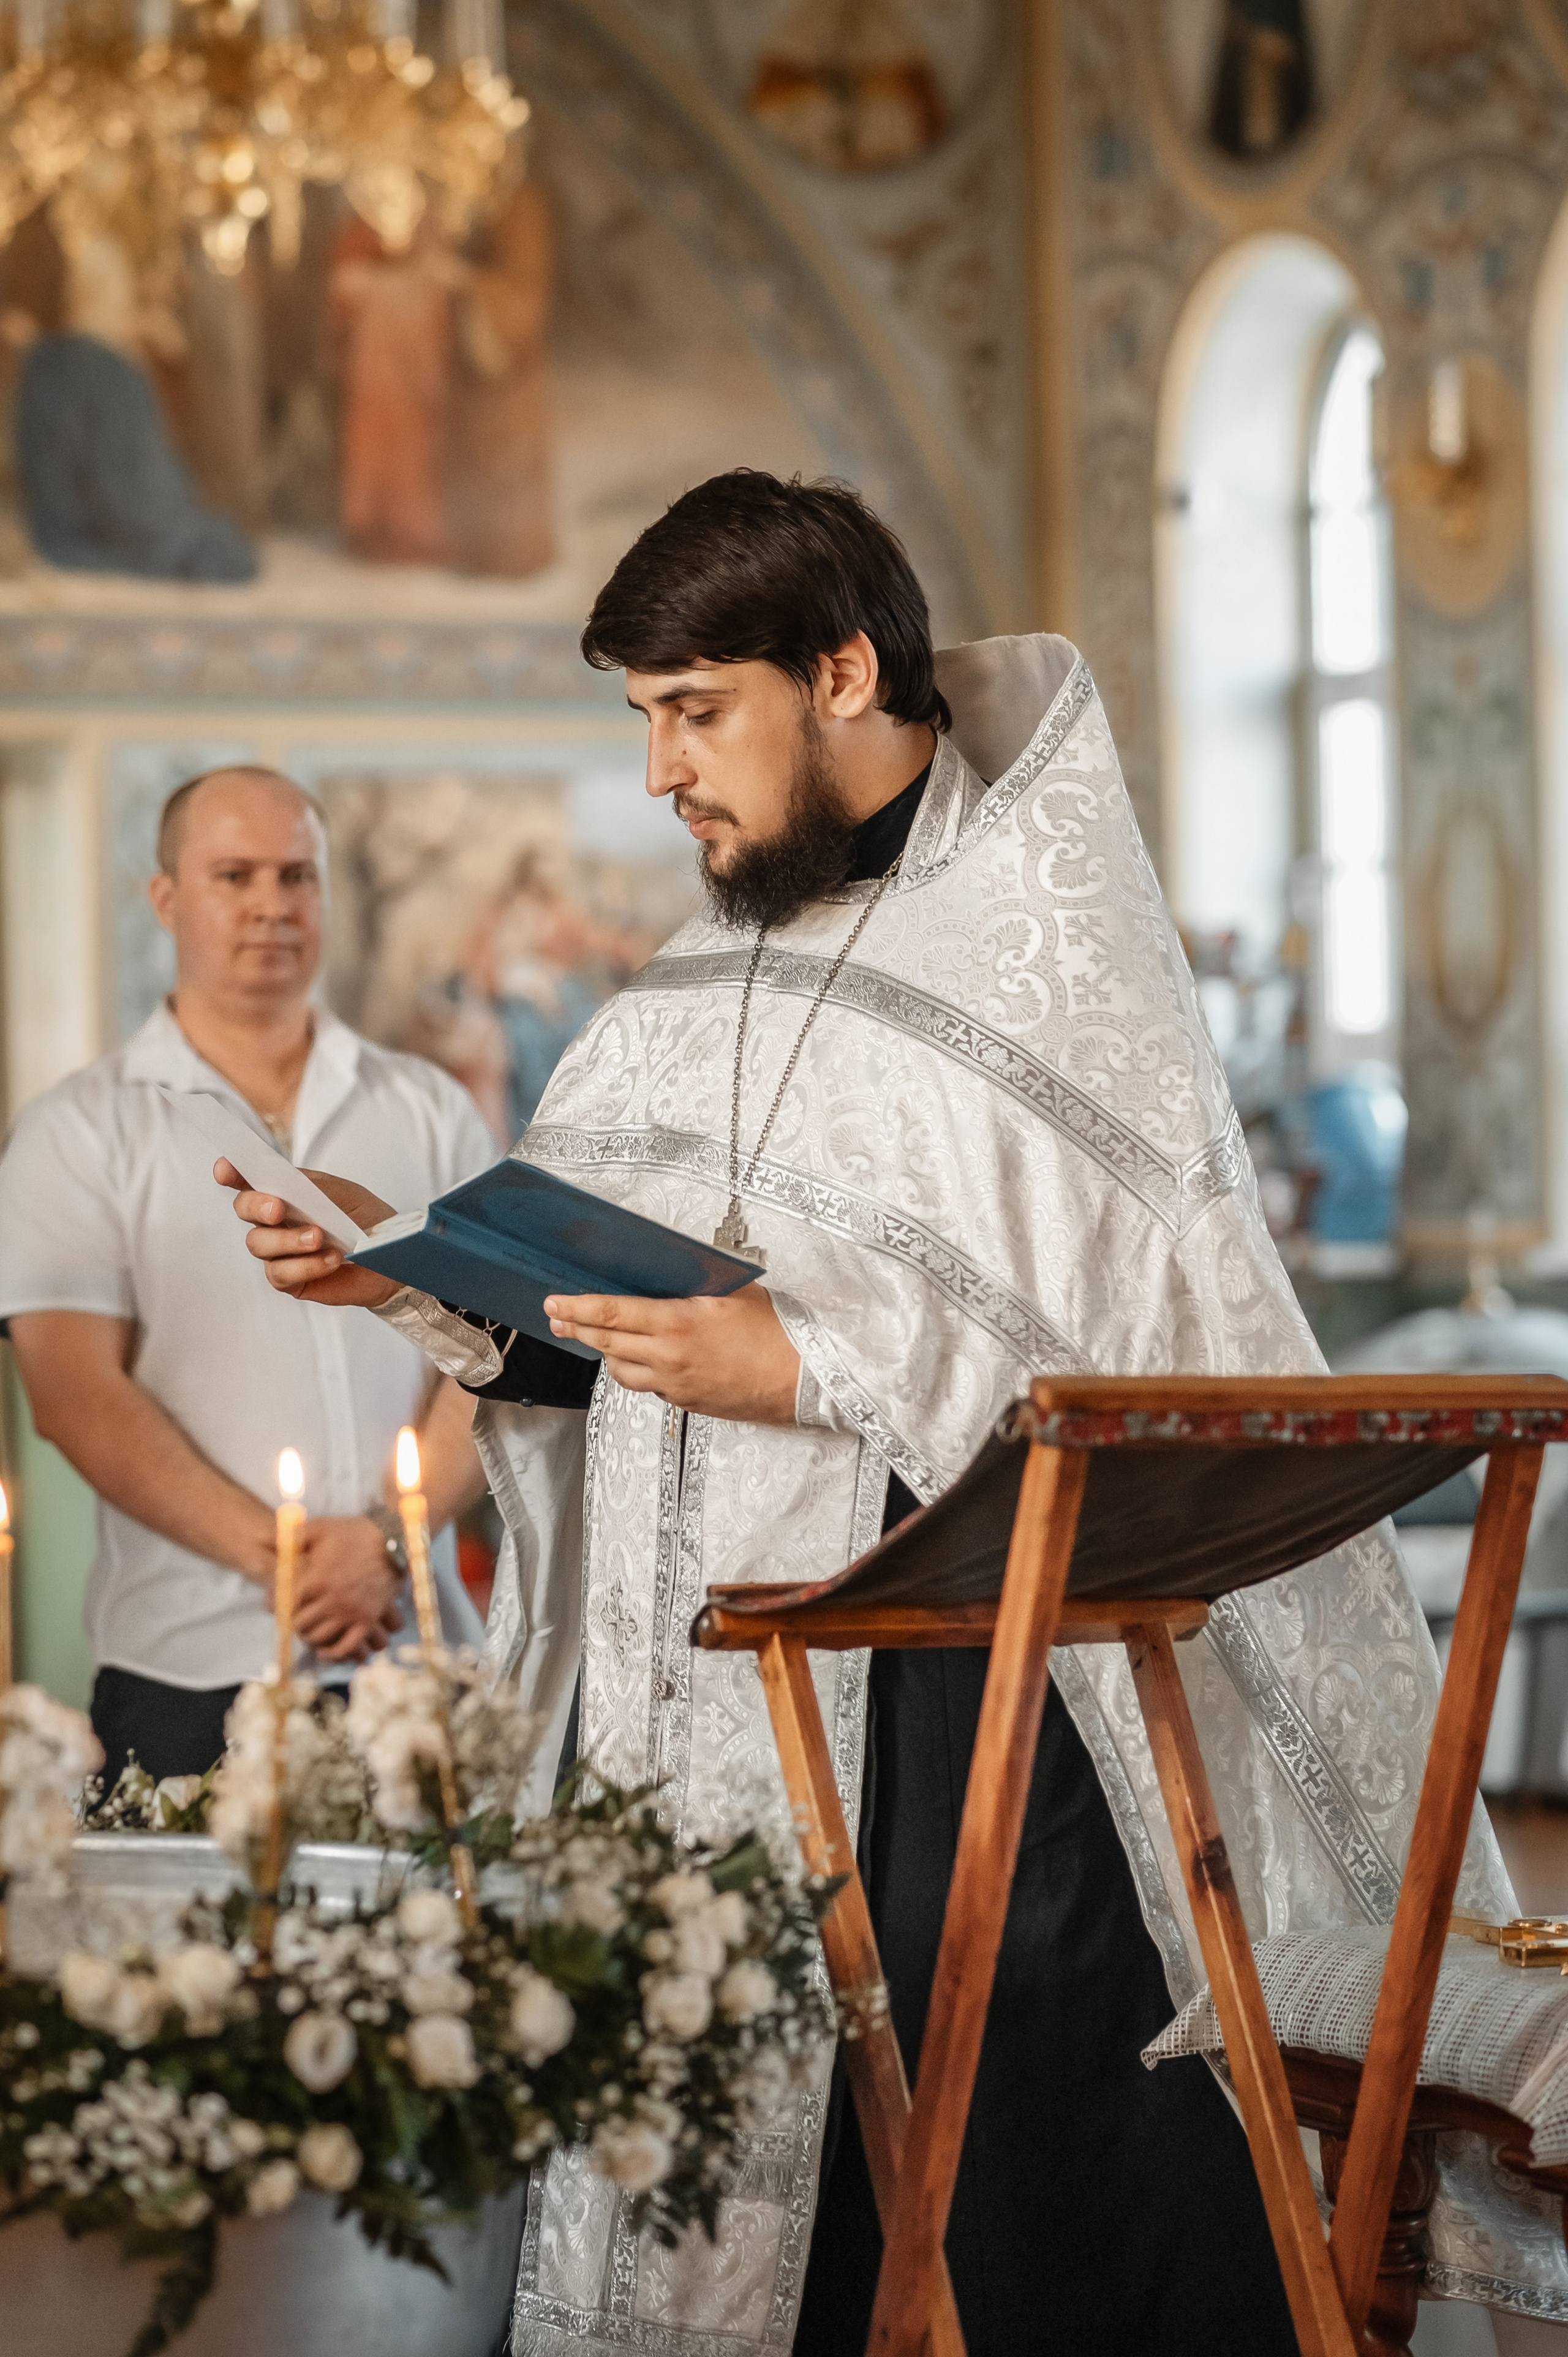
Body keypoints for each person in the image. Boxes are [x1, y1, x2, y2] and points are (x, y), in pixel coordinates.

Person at [225, 474, 1527, 2348]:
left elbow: (1141, 1346)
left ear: (841, 673)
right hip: (711, 1701)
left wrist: (807, 1363)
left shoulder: (1047, 962)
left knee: (1027, 2163)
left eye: (697, 712)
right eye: (645, 719)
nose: (662, 774)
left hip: (988, 1700)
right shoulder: (692, 983)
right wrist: (412, 1273)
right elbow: (595, 1317)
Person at [0, 766, 493, 1788]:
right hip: (188, 1670)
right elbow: (74, 1395)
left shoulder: (431, 1107)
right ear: (165, 897)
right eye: (234, 876)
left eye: (296, 875)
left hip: (421, 1651)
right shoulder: (76, 1130)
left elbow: (498, 1349)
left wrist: (385, 1546)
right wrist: (295, 1568)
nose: (272, 904)